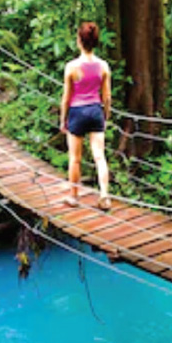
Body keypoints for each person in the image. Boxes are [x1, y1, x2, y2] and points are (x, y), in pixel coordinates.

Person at [60, 21, 112, 210]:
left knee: (75, 158)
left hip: (77, 112)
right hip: (95, 110)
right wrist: (106, 115)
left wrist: (63, 119)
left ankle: (74, 197)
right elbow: (106, 96)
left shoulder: (71, 67)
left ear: (79, 41)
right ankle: (105, 195)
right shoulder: (103, 66)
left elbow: (66, 98)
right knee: (99, 156)